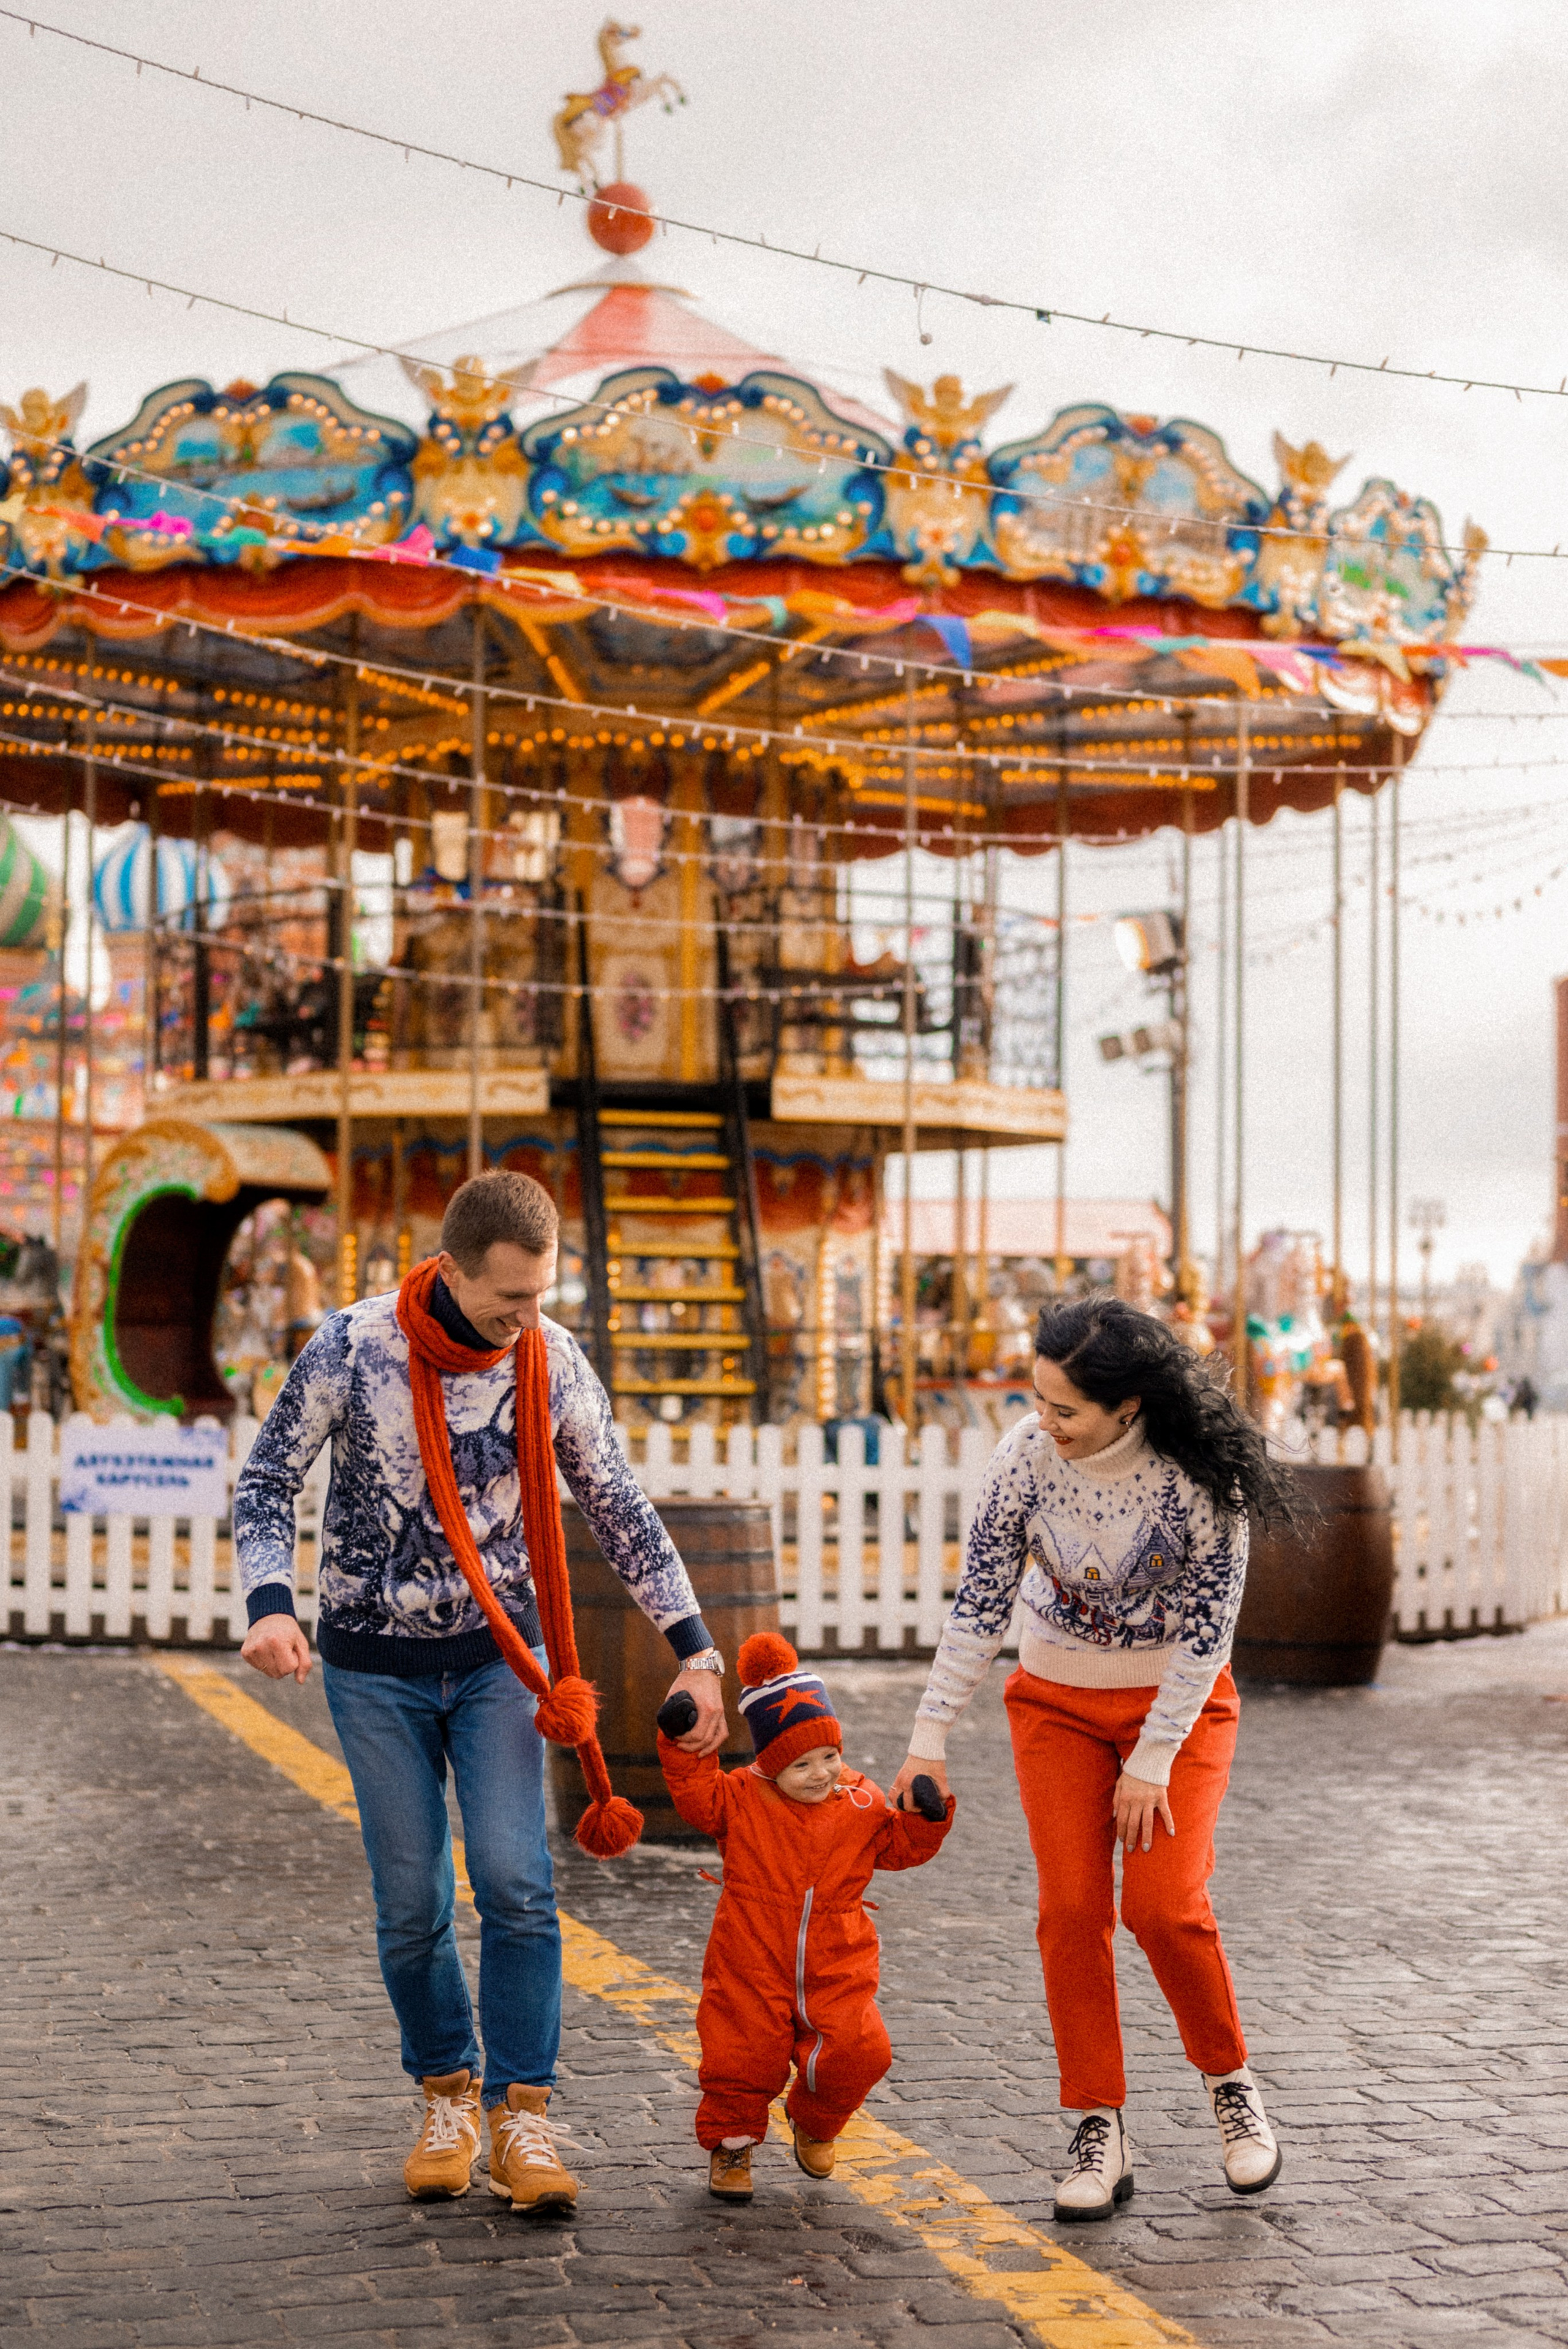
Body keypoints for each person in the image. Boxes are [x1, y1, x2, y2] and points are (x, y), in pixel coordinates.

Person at [234, 1169, 728, 2212]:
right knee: (411, 1904)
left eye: (542, 1295)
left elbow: (618, 1505)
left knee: (516, 1881)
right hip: (373, 1667)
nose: (526, 1317)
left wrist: (696, 1647)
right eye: (510, 1297)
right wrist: (267, 1603)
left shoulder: (551, 1360)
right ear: (451, 1270)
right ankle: (447, 2089)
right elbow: (269, 1474)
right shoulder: (354, 1346)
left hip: (507, 1664)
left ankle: (524, 2112)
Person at [888, 1297, 1292, 2222]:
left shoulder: (1200, 1479)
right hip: (1056, 1704)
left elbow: (1207, 1632)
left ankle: (1230, 2082)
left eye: (1067, 1408)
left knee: (1165, 1906)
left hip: (1176, 1712)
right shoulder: (1026, 1458)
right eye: (1041, 1399)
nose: (1048, 1422)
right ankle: (1097, 2122)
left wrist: (1152, 1758)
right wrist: (928, 1736)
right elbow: (982, 1599)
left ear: (1130, 1405)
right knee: (1071, 1909)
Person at [659, 1632, 953, 2204]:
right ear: (769, 1762)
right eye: (801, 1763)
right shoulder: (742, 1796)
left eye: (830, 1756)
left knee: (862, 2049)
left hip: (838, 1955)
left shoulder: (862, 1800)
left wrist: (927, 1817)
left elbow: (900, 1846)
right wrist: (680, 1736)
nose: (821, 1773)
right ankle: (733, 2142)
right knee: (741, 2049)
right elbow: (696, 1793)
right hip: (750, 1951)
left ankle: (817, 2118)